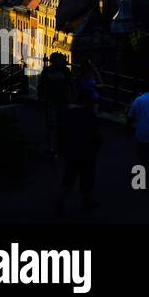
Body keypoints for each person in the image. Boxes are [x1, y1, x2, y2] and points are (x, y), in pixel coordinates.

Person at [56, 83, 102, 215]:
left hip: (71, 150)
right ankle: (87, 201)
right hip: (86, 151)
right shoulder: (89, 115)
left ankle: (60, 201)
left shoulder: (68, 112)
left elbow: (60, 130)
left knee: (69, 176)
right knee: (87, 178)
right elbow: (96, 135)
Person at [38, 52, 73, 157]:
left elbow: (70, 84)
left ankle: (54, 147)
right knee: (53, 124)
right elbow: (41, 84)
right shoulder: (62, 71)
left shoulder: (50, 71)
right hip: (54, 100)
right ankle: (54, 147)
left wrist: (41, 96)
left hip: (58, 100)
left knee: (57, 124)